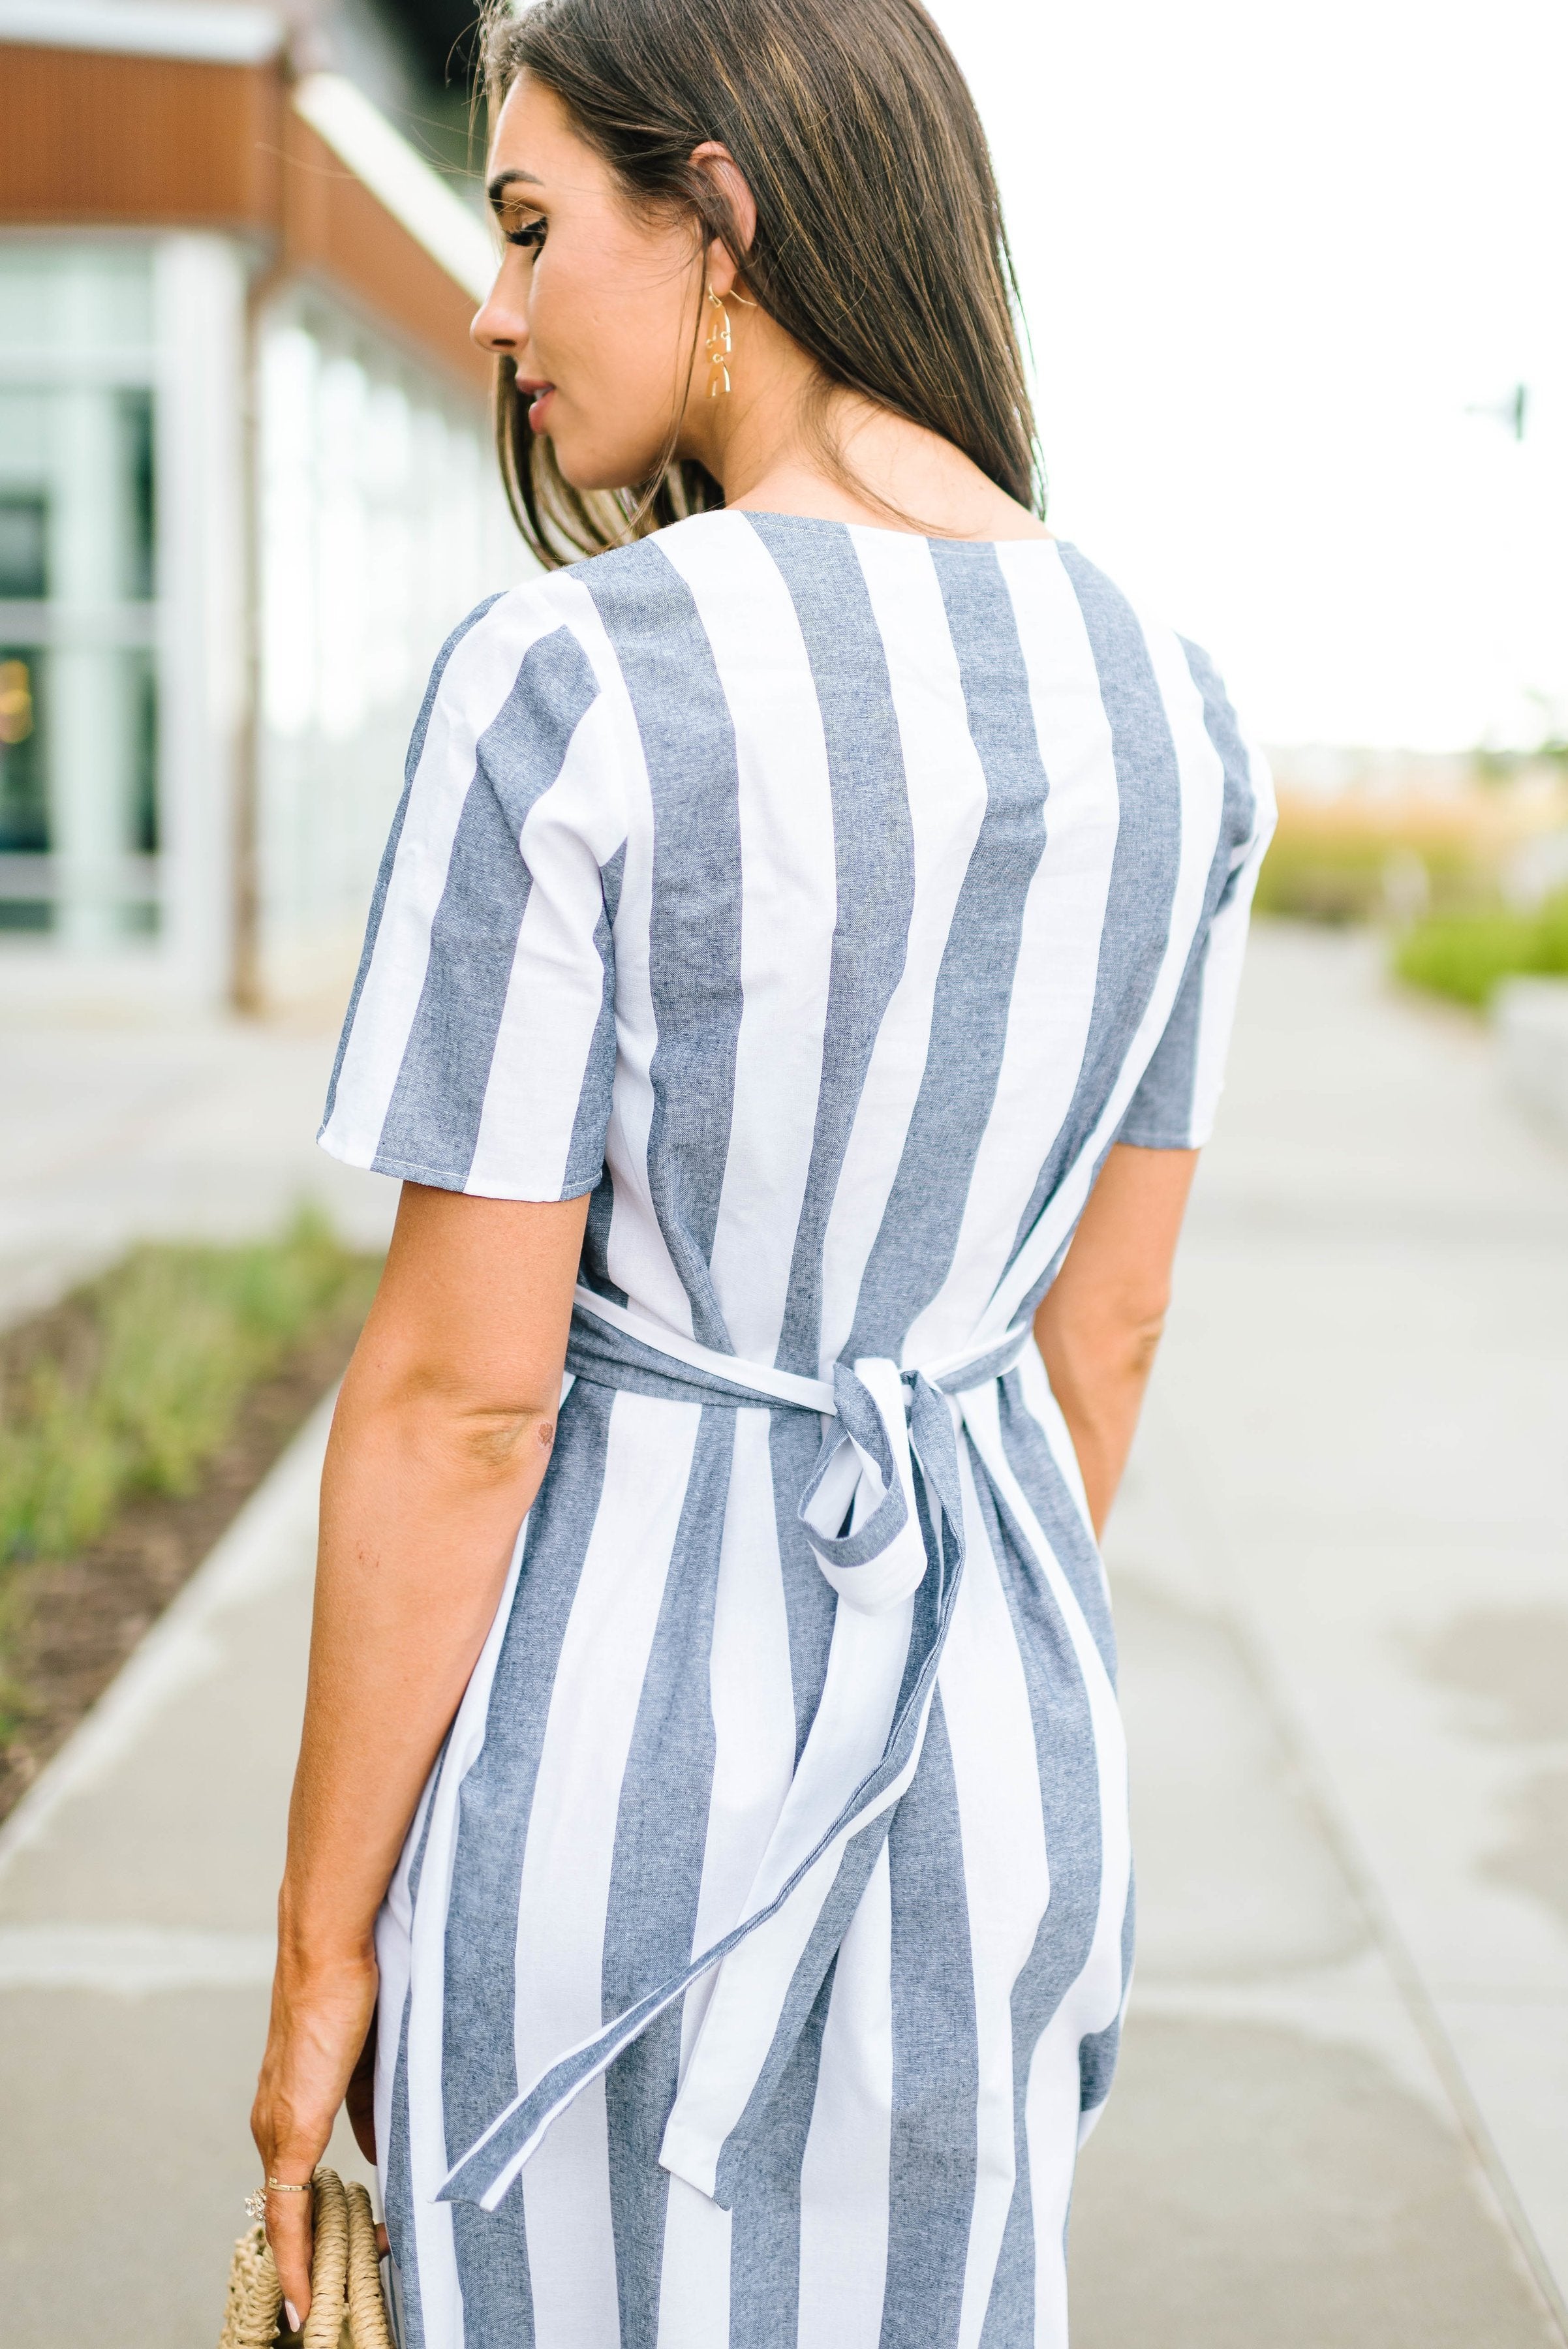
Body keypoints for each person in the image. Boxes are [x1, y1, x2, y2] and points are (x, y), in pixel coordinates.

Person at [250, 0, 1273, 2340]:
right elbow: (1101, 1339)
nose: (492, 308)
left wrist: (318, 1959)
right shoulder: (1175, 710)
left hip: (591, 1800)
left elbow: (463, 1404)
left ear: (717, 213)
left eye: (533, 228)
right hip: (988, 1768)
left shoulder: (571, 681)